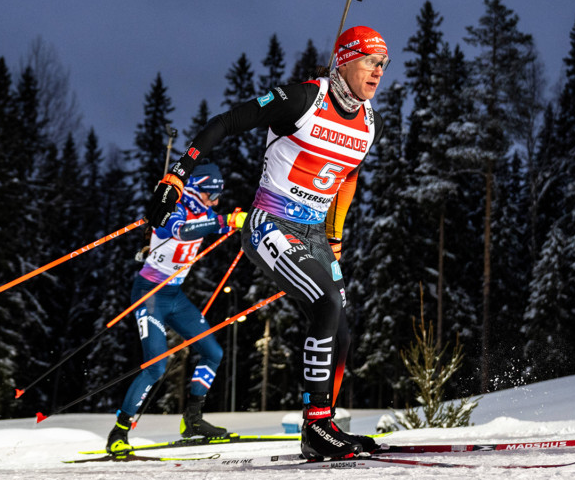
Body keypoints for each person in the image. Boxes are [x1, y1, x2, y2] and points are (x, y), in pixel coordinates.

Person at [146, 26, 388, 460]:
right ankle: (315, 428)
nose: (378, 72)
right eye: (371, 61)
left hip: (315, 233)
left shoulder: (369, 121)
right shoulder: (300, 99)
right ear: (345, 59)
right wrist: (176, 176)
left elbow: (347, 176)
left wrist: (334, 237)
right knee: (327, 303)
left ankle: (324, 423)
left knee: (343, 332)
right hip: (269, 225)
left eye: (383, 65)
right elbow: (226, 122)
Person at [107, 163, 247, 454]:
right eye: (212, 196)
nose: (216, 202)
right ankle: (119, 432)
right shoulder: (175, 206)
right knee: (155, 365)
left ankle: (193, 420)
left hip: (174, 296)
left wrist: (237, 220)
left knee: (213, 353)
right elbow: (182, 232)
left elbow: (216, 221)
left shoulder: (205, 211)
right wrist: (223, 221)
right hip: (150, 294)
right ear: (200, 189)